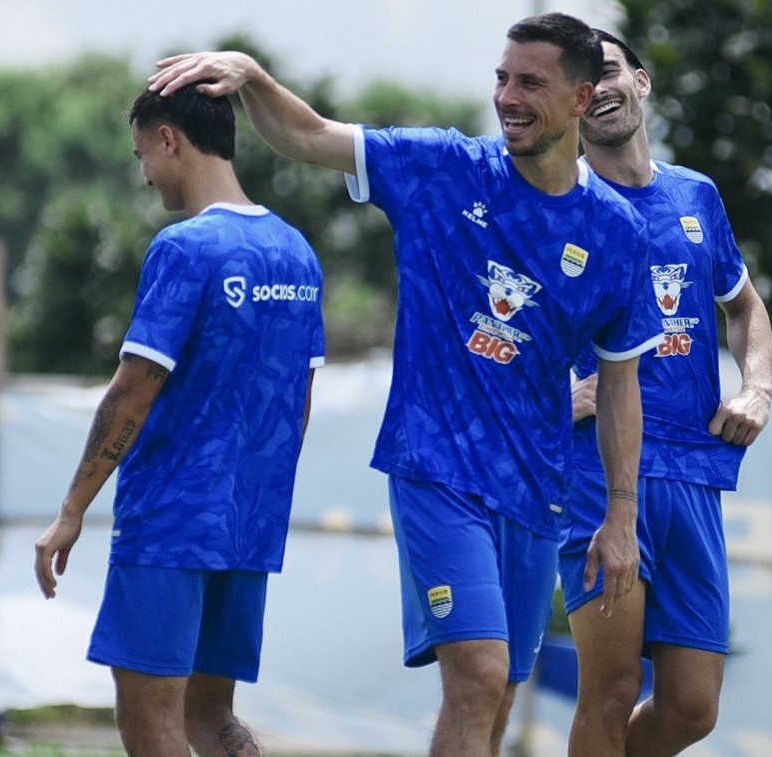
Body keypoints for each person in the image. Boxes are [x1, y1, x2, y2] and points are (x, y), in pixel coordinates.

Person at [148, 13, 662, 756]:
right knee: (479, 677)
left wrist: (620, 514)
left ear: (582, 99)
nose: (507, 96)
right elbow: (310, 135)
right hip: (436, 468)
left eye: (530, 83)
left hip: (536, 487)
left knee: (500, 696)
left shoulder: (617, 231)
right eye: (501, 78)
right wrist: (252, 75)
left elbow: (620, 383)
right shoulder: (443, 169)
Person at [33, 82, 325, 757]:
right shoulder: (298, 253)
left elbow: (132, 391)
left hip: (171, 520)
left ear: (171, 140)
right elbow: (298, 398)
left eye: (142, 155)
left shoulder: (185, 248)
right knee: (212, 715)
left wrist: (73, 506)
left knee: (150, 718)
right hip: (248, 523)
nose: (144, 173)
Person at [558, 30, 772, 757]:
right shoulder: (557, 203)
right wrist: (557, 392)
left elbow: (744, 306)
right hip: (598, 472)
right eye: (582, 78)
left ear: (642, 83)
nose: (600, 86)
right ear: (572, 102)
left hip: (694, 470)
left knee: (690, 706)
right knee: (611, 687)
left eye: (610, 69)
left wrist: (757, 388)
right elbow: (499, 319)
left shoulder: (696, 196)